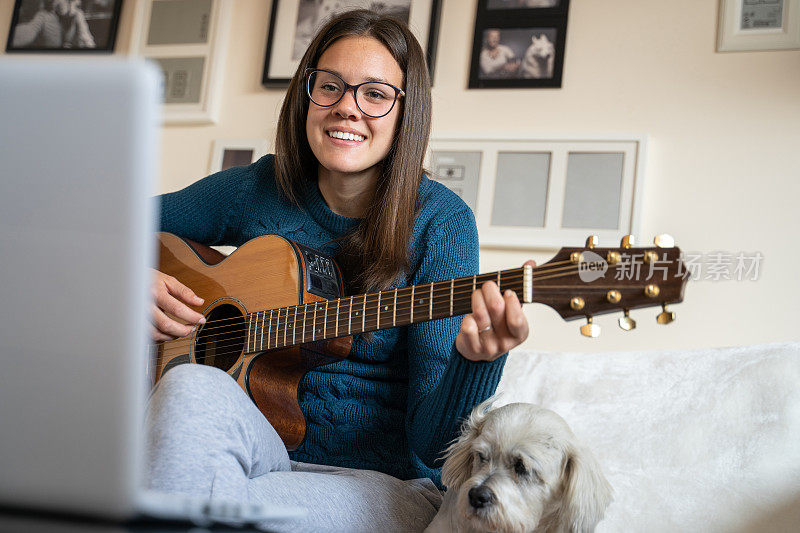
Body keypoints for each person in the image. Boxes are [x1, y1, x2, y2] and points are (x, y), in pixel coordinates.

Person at [146, 9, 533, 531]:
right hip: (260, 448)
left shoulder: (442, 224)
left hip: (381, 482)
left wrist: (474, 362)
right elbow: (102, 224)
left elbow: (432, 446)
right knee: (189, 385)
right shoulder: (257, 189)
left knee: (223, 501)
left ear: (405, 112)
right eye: (330, 86)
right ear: (306, 95)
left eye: (374, 94)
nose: (347, 108)